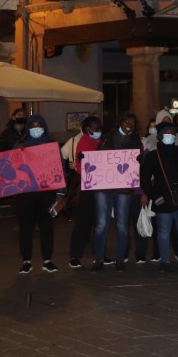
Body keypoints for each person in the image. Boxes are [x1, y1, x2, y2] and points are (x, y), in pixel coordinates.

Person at [0, 114, 65, 274]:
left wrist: (61, 192)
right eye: (32, 126)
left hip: (46, 193)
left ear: (44, 127)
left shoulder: (52, 146)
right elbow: (8, 165)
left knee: (46, 226)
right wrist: (16, 151)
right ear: (28, 128)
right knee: (25, 227)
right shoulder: (20, 146)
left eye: (38, 125)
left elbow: (60, 169)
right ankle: (26, 261)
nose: (36, 129)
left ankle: (47, 260)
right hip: (25, 193)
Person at [140, 120, 178, 271]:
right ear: (159, 136)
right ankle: (164, 261)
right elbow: (144, 180)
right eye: (167, 133)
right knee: (163, 231)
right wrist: (154, 197)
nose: (170, 135)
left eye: (173, 133)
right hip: (163, 199)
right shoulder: (153, 156)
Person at [92, 112, 142, 272]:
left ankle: (120, 260)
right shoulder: (107, 137)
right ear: (120, 122)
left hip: (123, 188)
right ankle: (98, 259)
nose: (129, 124)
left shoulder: (135, 140)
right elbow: (98, 157)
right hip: (103, 187)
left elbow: (140, 162)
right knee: (101, 225)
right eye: (127, 121)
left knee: (122, 225)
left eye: (132, 123)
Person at [68, 115, 103, 269]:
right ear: (88, 129)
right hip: (88, 188)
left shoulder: (100, 141)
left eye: (99, 126)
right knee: (83, 222)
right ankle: (74, 255)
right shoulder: (84, 142)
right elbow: (82, 165)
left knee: (99, 222)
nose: (98, 129)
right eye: (95, 127)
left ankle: (100, 253)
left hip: (100, 186)